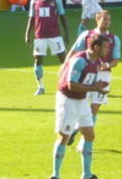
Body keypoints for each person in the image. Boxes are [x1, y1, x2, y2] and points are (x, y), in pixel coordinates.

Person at [50, 34, 110, 179]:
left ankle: (86, 175)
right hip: (67, 100)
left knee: (89, 135)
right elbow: (72, 85)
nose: (108, 50)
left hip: (82, 101)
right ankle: (55, 175)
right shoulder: (79, 60)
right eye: (106, 47)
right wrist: (96, 88)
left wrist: (98, 86)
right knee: (64, 137)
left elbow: (87, 82)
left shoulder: (97, 61)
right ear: (96, 48)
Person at [67, 10, 120, 149]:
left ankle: (82, 139)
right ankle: (76, 131)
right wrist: (66, 66)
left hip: (104, 76)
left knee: (94, 109)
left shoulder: (114, 38)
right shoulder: (86, 35)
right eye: (104, 19)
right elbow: (74, 51)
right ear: (97, 19)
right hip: (86, 73)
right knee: (82, 105)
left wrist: (107, 65)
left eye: (109, 19)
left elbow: (116, 60)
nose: (107, 22)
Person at [25, 0, 70, 95]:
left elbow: (62, 17)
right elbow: (31, 18)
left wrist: (67, 33)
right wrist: (27, 34)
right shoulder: (34, 1)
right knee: (38, 60)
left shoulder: (56, 0)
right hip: (40, 37)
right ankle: (40, 87)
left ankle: (67, 84)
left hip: (55, 36)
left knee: (63, 60)